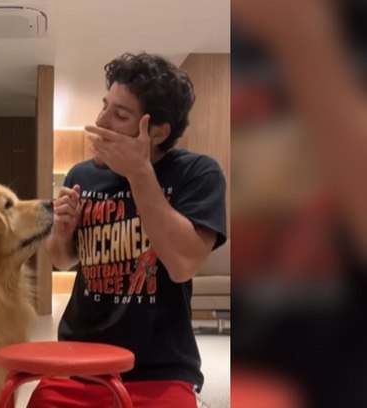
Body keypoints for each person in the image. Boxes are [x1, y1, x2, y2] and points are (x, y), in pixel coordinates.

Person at [27, 52, 227, 408]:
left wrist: (139, 173)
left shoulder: (197, 174)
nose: (99, 122)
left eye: (119, 115)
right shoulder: (81, 175)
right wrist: (61, 232)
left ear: (157, 133)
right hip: (79, 362)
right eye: (104, 106)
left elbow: (182, 264)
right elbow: (62, 259)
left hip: (160, 371)